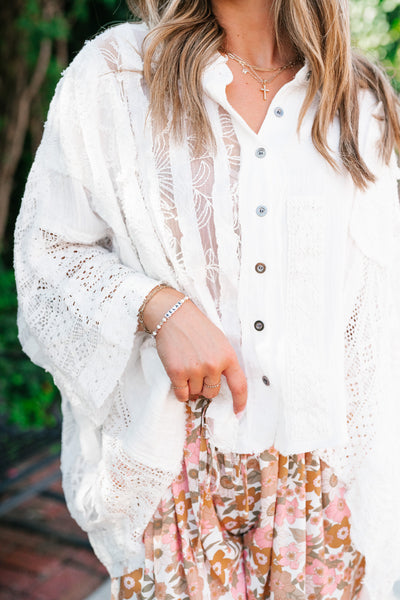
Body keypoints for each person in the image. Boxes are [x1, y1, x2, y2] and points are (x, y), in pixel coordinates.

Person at [13, 0, 400, 598]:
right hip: (179, 484)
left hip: (324, 492)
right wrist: (160, 307)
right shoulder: (118, 78)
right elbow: (48, 255)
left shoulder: (363, 105)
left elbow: (378, 322)